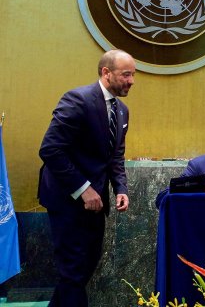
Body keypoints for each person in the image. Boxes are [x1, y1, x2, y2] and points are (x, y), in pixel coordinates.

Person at [38, 49, 136, 307]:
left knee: (84, 268)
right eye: (126, 74)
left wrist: (121, 188)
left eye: (133, 75)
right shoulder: (77, 100)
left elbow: (115, 156)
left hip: (96, 204)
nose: (131, 81)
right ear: (106, 73)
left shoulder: (122, 111)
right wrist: (83, 189)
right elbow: (50, 149)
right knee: (73, 271)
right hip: (66, 199)